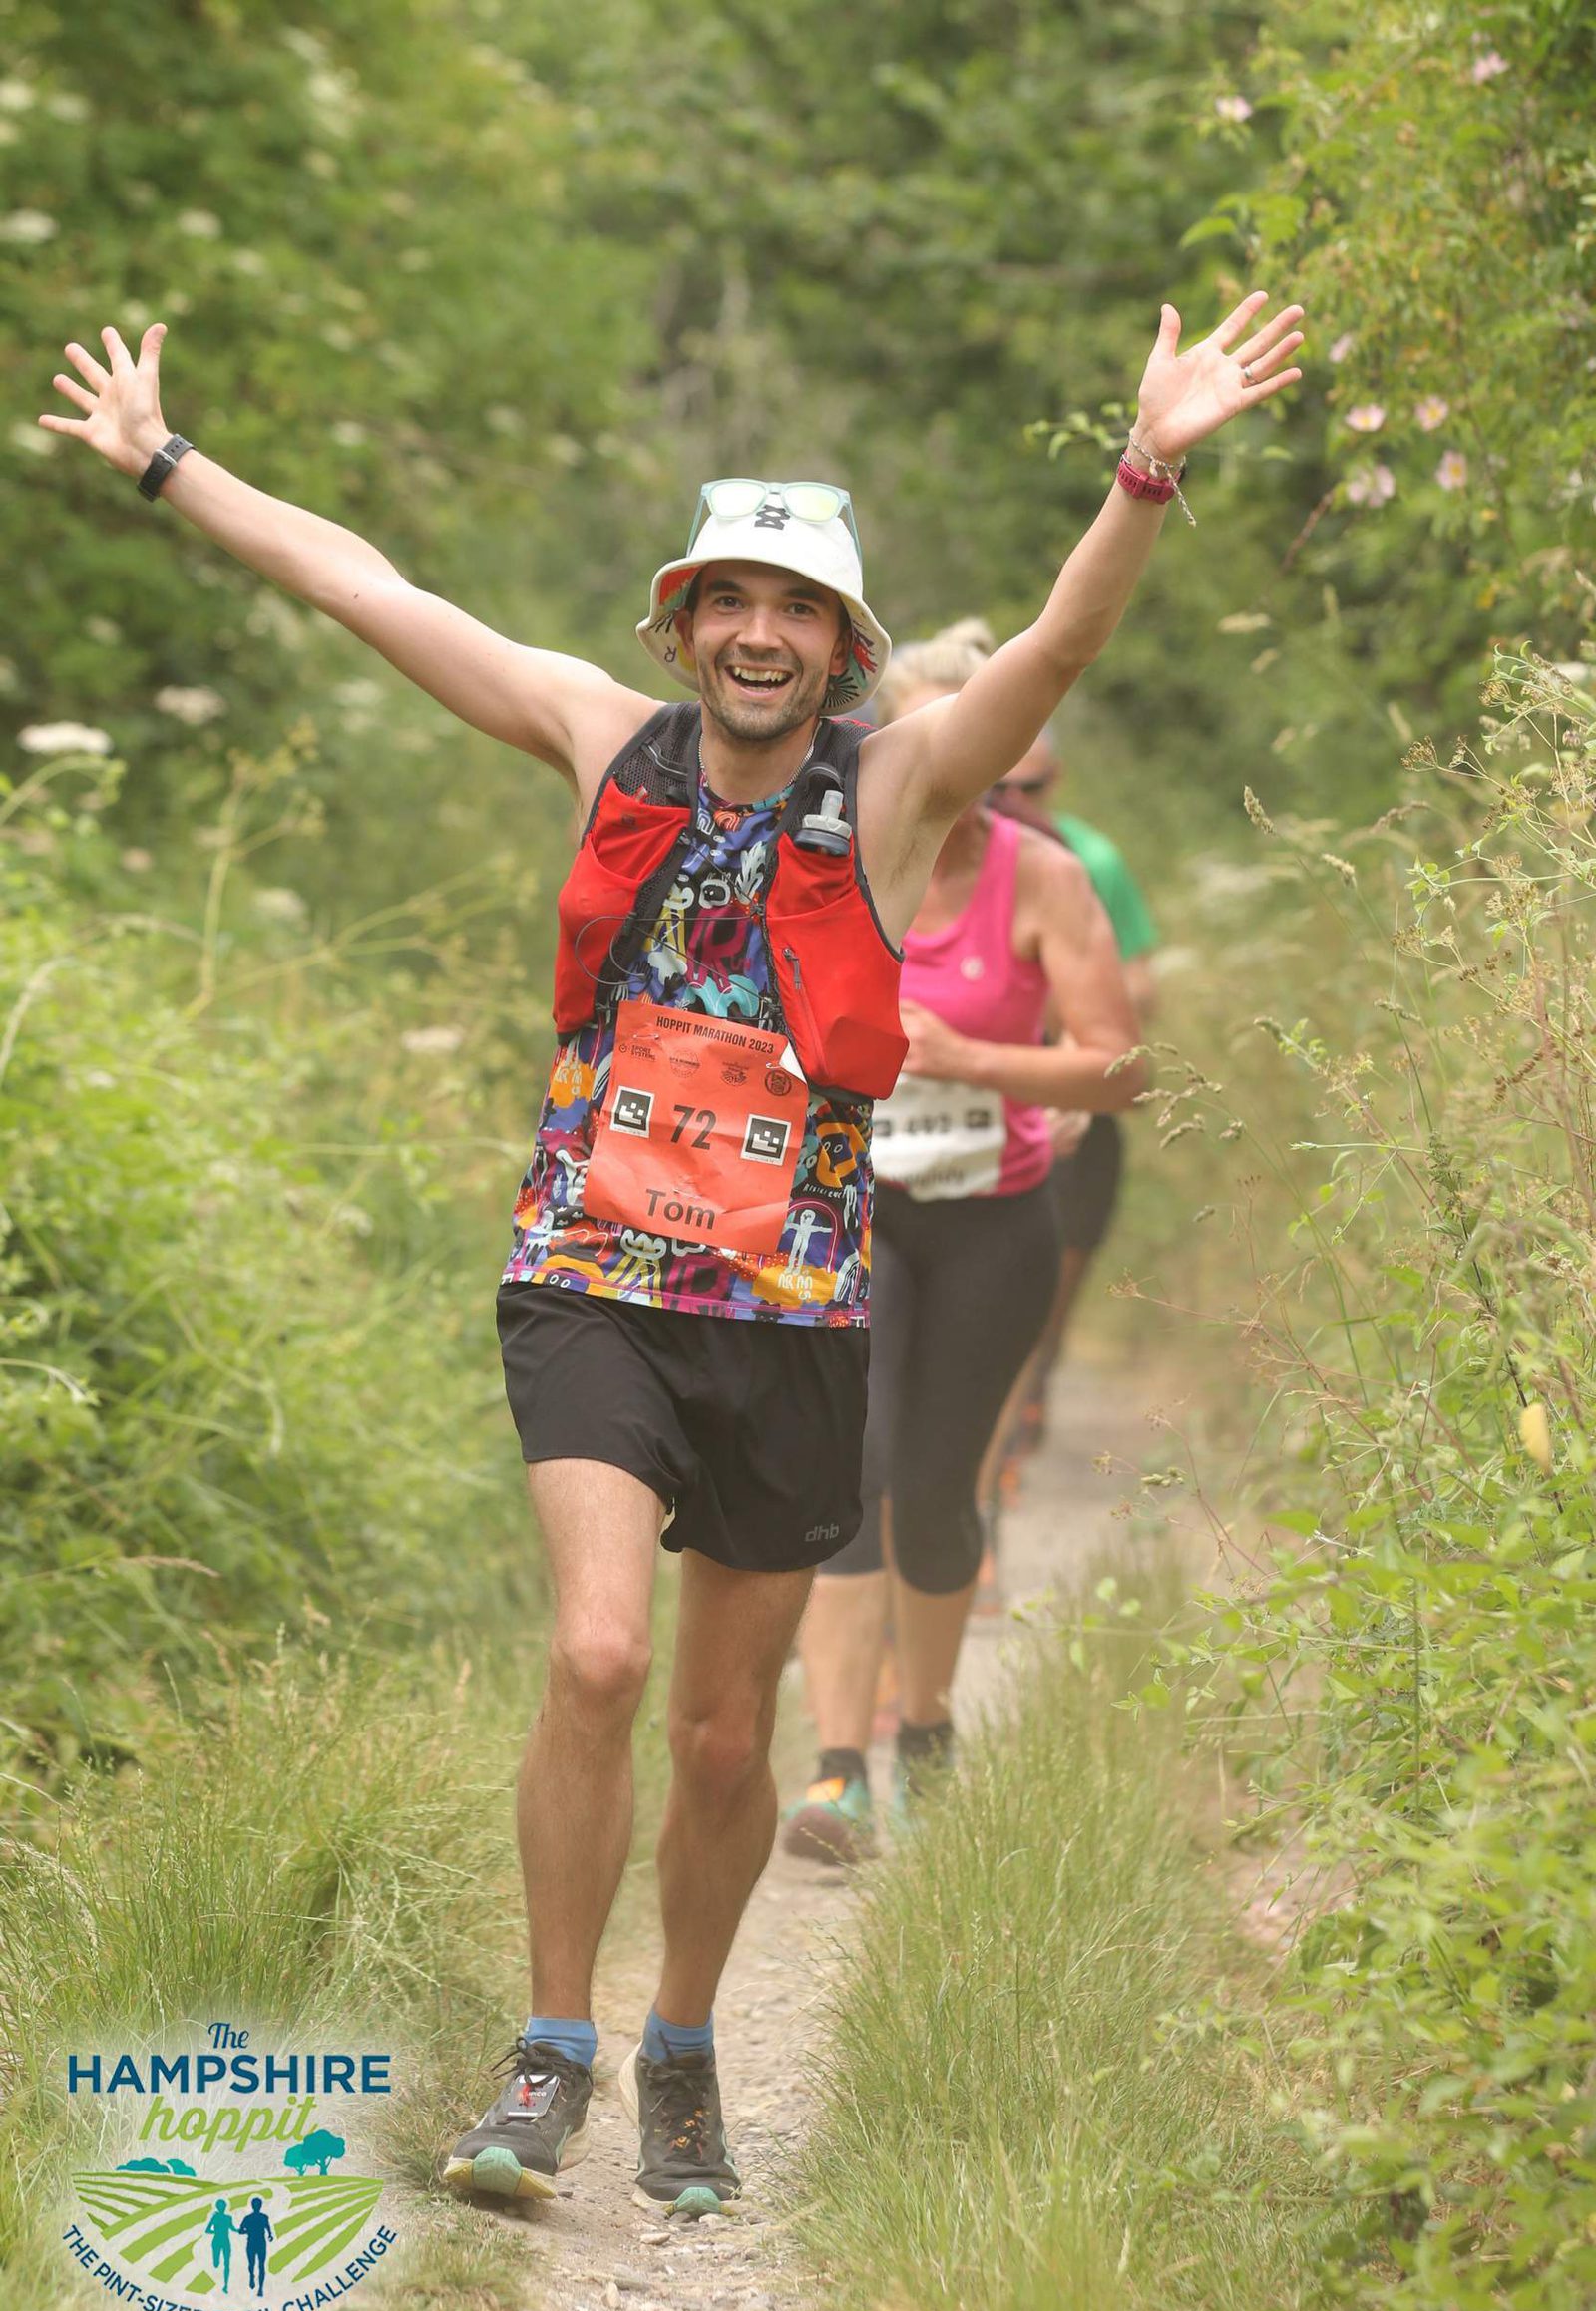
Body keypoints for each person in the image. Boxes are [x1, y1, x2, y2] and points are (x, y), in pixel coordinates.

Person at [41, 292, 1304, 2212]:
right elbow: (369, 588)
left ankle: (684, 2043)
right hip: (592, 1274)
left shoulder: (896, 787)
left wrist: (1149, 464)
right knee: (602, 1646)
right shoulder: (596, 733)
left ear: (843, 644)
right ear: (683, 618)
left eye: (798, 609)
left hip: (794, 1308)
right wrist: (165, 462)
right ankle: (549, 2051)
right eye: (730, 598)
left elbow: (1060, 643)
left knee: (728, 1733)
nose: (761, 633)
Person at [781, 624, 1141, 1864]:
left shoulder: (1039, 876)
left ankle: (924, 1728)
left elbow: (1123, 1071)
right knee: (854, 1480)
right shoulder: (824, 861)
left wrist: (970, 1056)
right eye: (918, 739)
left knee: (936, 1497)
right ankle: (837, 1774)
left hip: (995, 1222)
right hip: (853, 1213)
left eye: (969, 742)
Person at [984, 736, 1160, 1485]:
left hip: (1068, 1097)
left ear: (1055, 779)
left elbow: (1139, 984)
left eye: (1031, 784)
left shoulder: (1089, 859)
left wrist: (1069, 1036)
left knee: (1045, 1299)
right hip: (972, 1103)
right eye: (1001, 782)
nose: (1015, 799)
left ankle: (1014, 1432)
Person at [239, 2196, 274, 2297]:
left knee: (261, 2265)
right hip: (255, 2243)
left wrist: (270, 2235)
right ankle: (251, 2276)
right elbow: (240, 2231)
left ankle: (261, 2288)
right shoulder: (249, 2218)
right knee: (253, 2264)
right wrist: (248, 2231)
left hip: (258, 2243)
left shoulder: (262, 2217)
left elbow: (268, 2228)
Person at [205, 2199, 235, 2294]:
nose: (223, 2208)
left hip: (226, 2242)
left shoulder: (228, 2218)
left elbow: (232, 2228)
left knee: (227, 2264)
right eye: (221, 2206)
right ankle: (216, 2267)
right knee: (216, 2264)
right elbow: (207, 2230)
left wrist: (240, 2230)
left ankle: (226, 2285)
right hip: (217, 2242)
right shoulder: (215, 2217)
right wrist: (217, 2232)